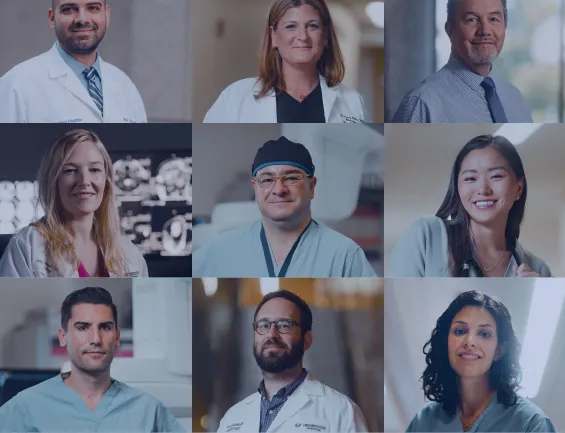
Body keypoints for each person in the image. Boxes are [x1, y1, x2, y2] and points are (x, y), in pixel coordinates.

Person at [0, 287, 181, 432]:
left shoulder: (148, 411)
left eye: (105, 327)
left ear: (117, 336)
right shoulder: (25, 409)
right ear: (63, 337)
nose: (95, 339)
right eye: (83, 327)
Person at [193, 136, 375, 277]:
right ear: (255, 188)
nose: (279, 189)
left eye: (291, 178)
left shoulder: (344, 255)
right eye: (267, 180)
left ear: (311, 187)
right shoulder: (218, 251)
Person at [388, 135, 550, 277]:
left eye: (496, 176)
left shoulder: (538, 270)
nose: (483, 190)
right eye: (470, 178)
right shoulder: (425, 236)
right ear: (457, 188)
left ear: (519, 187)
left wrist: (542, 291)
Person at [203, 0, 366, 123]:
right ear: (273, 36)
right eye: (291, 26)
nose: (302, 36)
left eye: (312, 26)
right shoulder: (235, 98)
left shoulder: (352, 102)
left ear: (326, 37)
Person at [0, 0, 146, 123]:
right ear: (52, 18)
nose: (82, 19)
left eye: (93, 8)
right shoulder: (16, 86)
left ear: (107, 15)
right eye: (69, 9)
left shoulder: (126, 87)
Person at [0, 129, 148, 277]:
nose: (84, 181)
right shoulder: (27, 247)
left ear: (107, 181)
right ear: (52, 180)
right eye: (70, 170)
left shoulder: (130, 254)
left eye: (94, 169)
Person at [217, 290, 368, 432]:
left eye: (284, 325)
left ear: (306, 340)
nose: (271, 334)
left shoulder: (342, 411)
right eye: (263, 325)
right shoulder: (232, 418)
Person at [406, 291, 556, 432]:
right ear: (446, 343)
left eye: (484, 334)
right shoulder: (423, 421)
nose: (469, 341)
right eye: (460, 331)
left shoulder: (531, 424)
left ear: (499, 350)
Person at [392, 0, 533, 123]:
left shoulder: (515, 98)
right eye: (472, 20)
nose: (485, 30)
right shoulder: (422, 103)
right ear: (450, 30)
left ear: (504, 27)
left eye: (493, 19)